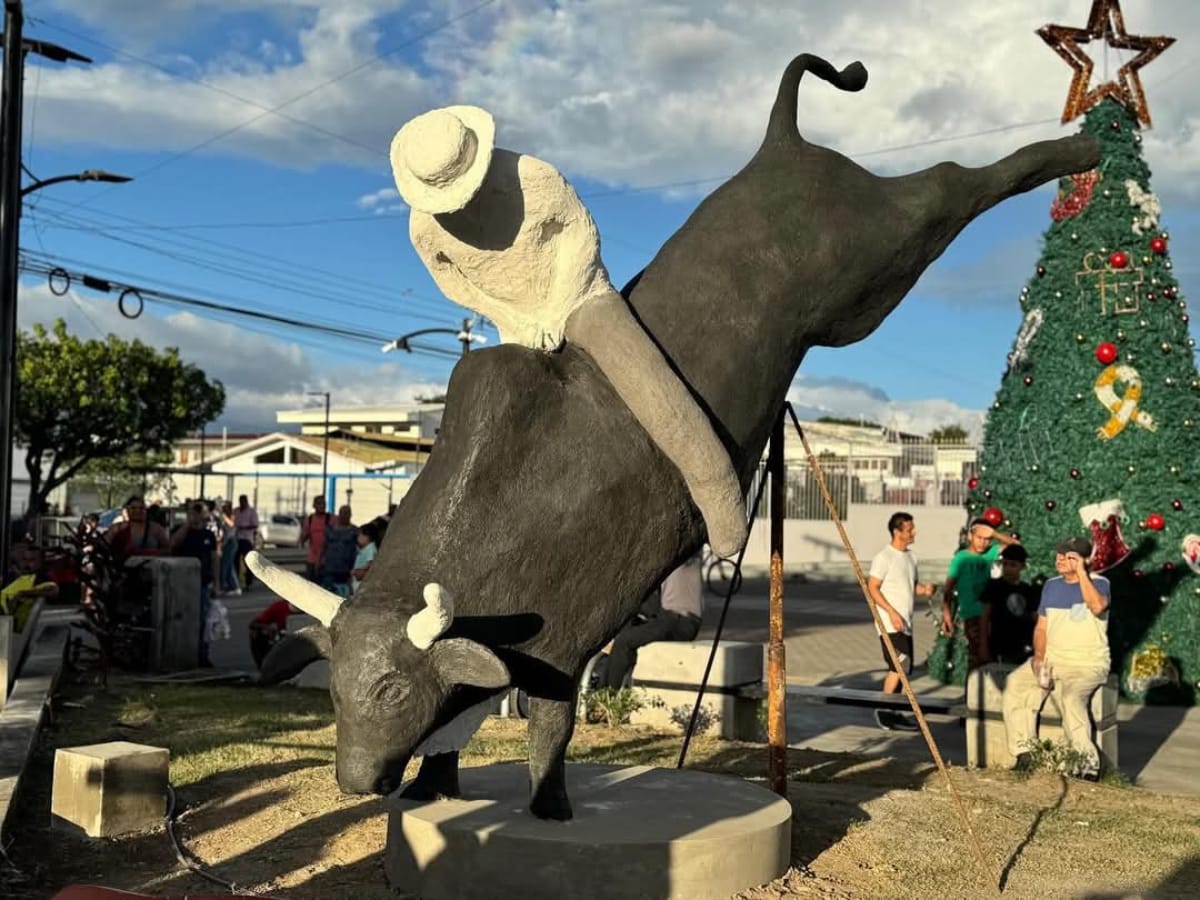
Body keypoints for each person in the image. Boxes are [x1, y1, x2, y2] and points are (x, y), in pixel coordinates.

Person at [1003, 536, 1111, 780]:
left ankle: (1087, 764)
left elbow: (1097, 607)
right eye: (1059, 555)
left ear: (1083, 560)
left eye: (1068, 556)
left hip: (1087, 664)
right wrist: (1039, 659)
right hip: (1052, 659)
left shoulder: (1100, 583)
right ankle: (1025, 752)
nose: (1060, 560)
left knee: (1072, 699)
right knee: (1016, 685)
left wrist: (1081, 572)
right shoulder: (1051, 585)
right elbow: (1041, 628)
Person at [866, 512, 938, 730]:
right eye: (909, 530)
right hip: (889, 623)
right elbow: (872, 587)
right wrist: (891, 612)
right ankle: (883, 710)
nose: (913, 533)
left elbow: (909, 585)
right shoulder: (883, 557)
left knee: (903, 669)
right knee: (898, 666)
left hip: (905, 622)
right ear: (897, 532)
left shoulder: (911, 557)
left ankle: (894, 711)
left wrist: (924, 589)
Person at [599, 552, 704, 690]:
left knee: (625, 640)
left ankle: (608, 692)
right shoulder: (681, 561)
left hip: (681, 621)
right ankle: (606, 682)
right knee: (628, 620)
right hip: (672, 618)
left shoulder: (682, 559)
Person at [941, 518, 1021, 673]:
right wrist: (947, 615)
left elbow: (1016, 548)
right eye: (979, 538)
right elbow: (948, 588)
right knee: (976, 656)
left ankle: (984, 692)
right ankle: (972, 693)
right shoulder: (961, 558)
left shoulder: (990, 552)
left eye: (987, 539)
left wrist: (995, 533)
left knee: (989, 657)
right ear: (970, 536)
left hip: (990, 614)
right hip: (972, 615)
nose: (982, 542)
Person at [171, 501, 219, 667]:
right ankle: (182, 653)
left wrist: (216, 583)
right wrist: (188, 524)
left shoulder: (208, 535)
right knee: (182, 619)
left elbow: (214, 559)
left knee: (203, 621)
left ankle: (202, 655)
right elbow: (173, 544)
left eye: (200, 511)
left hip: (203, 582)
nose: (198, 514)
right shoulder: (181, 531)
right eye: (194, 511)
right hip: (182, 583)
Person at [980, 544, 1040, 665]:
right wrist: (983, 646)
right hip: (999, 646)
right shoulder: (994, 586)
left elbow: (1036, 619)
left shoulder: (1028, 590)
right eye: (1005, 564)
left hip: (1023, 647)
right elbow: (984, 618)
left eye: (1013, 565)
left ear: (1022, 566)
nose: (1007, 568)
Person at [2, 541, 59, 630]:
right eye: (25, 560)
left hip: (13, 626)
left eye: (32, 560)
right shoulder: (21, 577)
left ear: (41, 561)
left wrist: (23, 593)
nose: (27, 564)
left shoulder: (41, 578)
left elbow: (53, 590)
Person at [104, 495, 170, 562]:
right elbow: (104, 546)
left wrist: (152, 553)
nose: (137, 511)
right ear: (127, 510)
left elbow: (168, 550)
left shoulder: (156, 529)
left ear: (145, 510)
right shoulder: (118, 528)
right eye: (133, 508)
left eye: (141, 508)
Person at [249, 598, 299, 669]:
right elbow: (256, 623)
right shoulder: (280, 607)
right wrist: (269, 629)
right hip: (285, 640)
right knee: (256, 634)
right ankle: (264, 669)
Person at [322, 505, 358, 598]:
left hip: (347, 569)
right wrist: (319, 560)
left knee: (344, 594)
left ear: (350, 515)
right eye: (342, 513)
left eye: (347, 513)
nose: (344, 516)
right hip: (330, 568)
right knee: (328, 593)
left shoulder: (355, 531)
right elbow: (323, 545)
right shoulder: (329, 530)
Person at [301, 496, 334, 583]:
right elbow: (303, 539)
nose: (322, 506)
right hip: (312, 560)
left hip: (327, 561)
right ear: (314, 505)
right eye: (319, 504)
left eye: (324, 504)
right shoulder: (310, 519)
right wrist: (304, 536)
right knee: (312, 587)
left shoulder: (330, 519)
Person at [234, 495, 259, 590]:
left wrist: (244, 527)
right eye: (240, 501)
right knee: (235, 561)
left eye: (243, 501)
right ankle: (236, 581)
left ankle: (248, 581)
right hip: (237, 538)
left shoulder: (251, 512)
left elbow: (255, 525)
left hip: (247, 539)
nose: (242, 503)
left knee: (247, 561)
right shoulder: (236, 511)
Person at [352, 519, 382, 595]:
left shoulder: (370, 548)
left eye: (360, 534)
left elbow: (370, 563)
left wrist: (359, 571)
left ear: (367, 536)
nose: (358, 537)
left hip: (362, 587)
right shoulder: (363, 549)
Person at [218, 501, 241, 596]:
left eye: (225, 508)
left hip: (231, 543)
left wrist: (223, 516)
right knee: (228, 566)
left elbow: (232, 524)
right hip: (226, 543)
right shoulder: (223, 519)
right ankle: (231, 585)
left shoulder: (232, 516)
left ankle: (232, 586)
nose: (224, 510)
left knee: (226, 565)